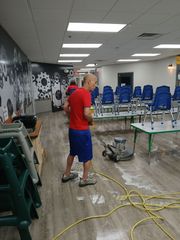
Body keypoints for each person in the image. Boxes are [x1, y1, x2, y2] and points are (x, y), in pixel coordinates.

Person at [62, 73, 97, 187]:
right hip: (82, 131)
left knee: (72, 153)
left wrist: (71, 117)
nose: (95, 85)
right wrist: (91, 120)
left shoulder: (74, 93)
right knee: (87, 156)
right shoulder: (86, 94)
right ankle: (85, 179)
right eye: (94, 82)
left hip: (72, 130)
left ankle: (67, 174)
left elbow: (65, 107)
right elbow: (87, 113)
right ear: (88, 82)